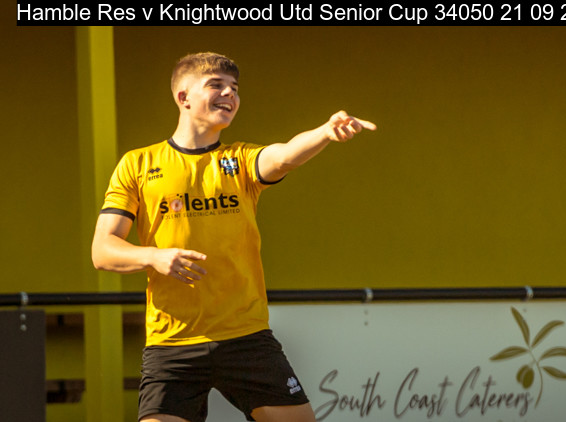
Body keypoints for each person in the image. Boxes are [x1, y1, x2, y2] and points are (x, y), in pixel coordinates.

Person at [91, 52, 376, 422]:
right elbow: (103, 250)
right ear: (183, 97)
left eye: (235, 88)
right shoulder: (137, 164)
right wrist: (154, 257)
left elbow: (285, 156)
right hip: (173, 343)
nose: (229, 94)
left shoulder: (240, 160)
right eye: (216, 85)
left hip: (245, 337)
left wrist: (324, 132)